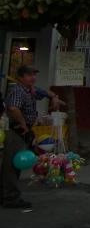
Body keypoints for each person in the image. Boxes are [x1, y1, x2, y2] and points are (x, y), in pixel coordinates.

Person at [2, 65, 62, 209]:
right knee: (11, 166)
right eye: (29, 75)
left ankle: (6, 195)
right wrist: (24, 125)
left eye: (34, 75)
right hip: (16, 131)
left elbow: (44, 92)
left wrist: (54, 97)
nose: (33, 78)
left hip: (23, 132)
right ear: (21, 77)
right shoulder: (18, 90)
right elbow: (13, 108)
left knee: (14, 164)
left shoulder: (29, 90)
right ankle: (10, 197)